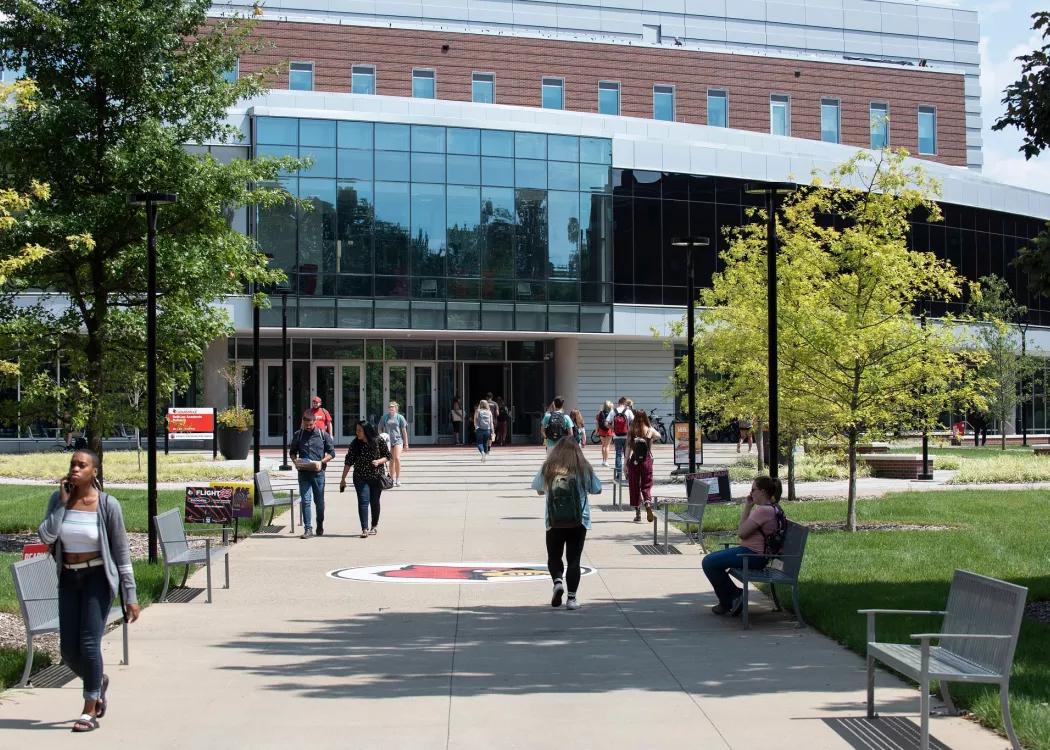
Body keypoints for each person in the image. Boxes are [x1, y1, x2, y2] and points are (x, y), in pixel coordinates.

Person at [38, 450, 140, 733]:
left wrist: (130, 596)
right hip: (69, 578)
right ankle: (97, 682)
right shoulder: (58, 501)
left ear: (94, 471)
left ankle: (89, 709)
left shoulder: (107, 505)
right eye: (72, 464)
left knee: (88, 643)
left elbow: (122, 554)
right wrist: (61, 505)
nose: (74, 469)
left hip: (97, 578)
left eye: (81, 465)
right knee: (68, 651)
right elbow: (46, 536)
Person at [532, 437, 602, 610]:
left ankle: (557, 582)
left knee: (554, 556)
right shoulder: (583, 467)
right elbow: (597, 489)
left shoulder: (549, 467)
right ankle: (571, 600)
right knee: (574, 559)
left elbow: (539, 489)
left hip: (554, 520)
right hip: (579, 520)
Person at [702, 475, 785, 615]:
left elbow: (741, 533)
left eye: (753, 490)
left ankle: (733, 597)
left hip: (753, 556)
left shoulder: (763, 511)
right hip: (753, 554)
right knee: (710, 561)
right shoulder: (772, 508)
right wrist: (748, 506)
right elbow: (742, 529)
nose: (750, 493)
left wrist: (748, 509)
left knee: (709, 562)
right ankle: (730, 599)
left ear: (762, 492)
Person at [340, 421, 390, 538]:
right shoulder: (355, 443)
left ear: (366, 431)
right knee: (363, 501)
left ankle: (374, 526)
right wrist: (343, 479)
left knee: (374, 501)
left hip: (376, 476)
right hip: (360, 476)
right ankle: (364, 528)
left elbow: (387, 456)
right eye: (356, 430)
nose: (357, 433)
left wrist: (378, 461)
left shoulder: (378, 440)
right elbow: (348, 462)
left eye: (359, 430)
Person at [289, 411, 336, 538]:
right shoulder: (298, 435)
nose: (308, 427)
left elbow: (332, 453)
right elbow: (292, 452)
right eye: (306, 425)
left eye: (310, 424)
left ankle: (319, 524)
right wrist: (295, 462)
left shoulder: (322, 435)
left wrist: (321, 462)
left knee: (319, 502)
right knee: (306, 501)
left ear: (315, 422)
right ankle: (308, 529)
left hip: (318, 473)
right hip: (303, 473)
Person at [626, 409, 660, 523]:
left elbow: (627, 448)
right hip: (646, 460)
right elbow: (659, 436)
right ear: (646, 418)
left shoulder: (632, 430)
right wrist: (651, 440)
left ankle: (638, 513)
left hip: (635, 460)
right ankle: (647, 502)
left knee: (634, 486)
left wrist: (625, 462)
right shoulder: (649, 429)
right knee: (646, 484)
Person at [379, 402, 408, 487]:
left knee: (397, 458)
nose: (390, 408)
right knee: (391, 460)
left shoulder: (400, 417)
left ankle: (398, 478)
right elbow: (379, 428)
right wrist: (381, 437)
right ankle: (392, 478)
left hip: (398, 440)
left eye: (392, 407)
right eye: (389, 407)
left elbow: (404, 431)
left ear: (396, 408)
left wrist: (406, 443)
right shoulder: (385, 417)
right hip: (389, 441)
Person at [610, 397, 634, 480]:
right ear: (625, 403)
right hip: (626, 436)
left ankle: (618, 474)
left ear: (618, 403)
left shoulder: (613, 411)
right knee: (627, 455)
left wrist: (613, 428)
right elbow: (634, 421)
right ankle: (628, 474)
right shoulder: (628, 411)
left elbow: (606, 423)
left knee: (618, 455)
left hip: (616, 437)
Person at [596, 400, 614, 467]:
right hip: (609, 430)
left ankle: (603, 460)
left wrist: (597, 430)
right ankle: (606, 461)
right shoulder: (611, 413)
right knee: (607, 446)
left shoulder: (600, 413)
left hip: (601, 430)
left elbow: (597, 422)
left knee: (603, 446)